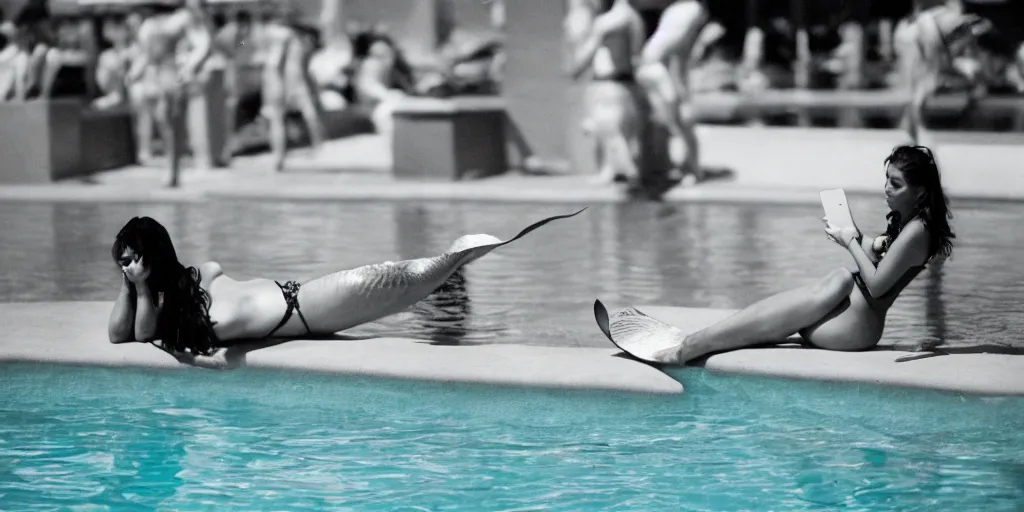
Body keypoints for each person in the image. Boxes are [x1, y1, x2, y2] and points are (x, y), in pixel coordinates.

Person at [596, 145, 955, 365]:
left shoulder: (918, 231)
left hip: (856, 327)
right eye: (887, 180)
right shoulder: (908, 223)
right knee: (781, 309)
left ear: (922, 192)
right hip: (850, 319)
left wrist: (849, 243)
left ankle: (691, 347)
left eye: (896, 184)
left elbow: (876, 287)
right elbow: (881, 260)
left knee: (840, 278)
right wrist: (859, 237)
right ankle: (697, 342)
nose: (886, 190)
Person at [108, 209, 585, 369]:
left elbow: (141, 336)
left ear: (153, 255)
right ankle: (461, 261)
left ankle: (475, 250)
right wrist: (132, 285)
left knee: (412, 279)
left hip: (308, 302)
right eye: (122, 263)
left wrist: (144, 285)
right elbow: (122, 334)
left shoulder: (199, 278)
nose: (126, 268)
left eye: (131, 259)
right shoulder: (174, 303)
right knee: (412, 284)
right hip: (307, 309)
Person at [126, 0, 214, 187]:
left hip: (169, 75)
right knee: (165, 122)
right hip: (158, 76)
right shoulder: (153, 24)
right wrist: (135, 73)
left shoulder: (177, 20)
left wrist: (189, 66)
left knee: (170, 122)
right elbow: (146, 55)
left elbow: (202, 44)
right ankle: (173, 170)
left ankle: (173, 171)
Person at [565, 0, 645, 186]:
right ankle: (610, 173)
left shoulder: (608, 21)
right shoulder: (634, 18)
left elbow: (585, 56)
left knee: (611, 135)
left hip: (608, 84)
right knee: (617, 135)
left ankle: (632, 177)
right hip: (626, 83)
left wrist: (573, 70)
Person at [635, 0, 710, 186]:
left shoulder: (689, 9)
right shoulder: (678, 11)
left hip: (665, 67)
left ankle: (691, 167)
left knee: (682, 118)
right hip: (662, 67)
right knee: (671, 119)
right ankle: (678, 166)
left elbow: (677, 45)